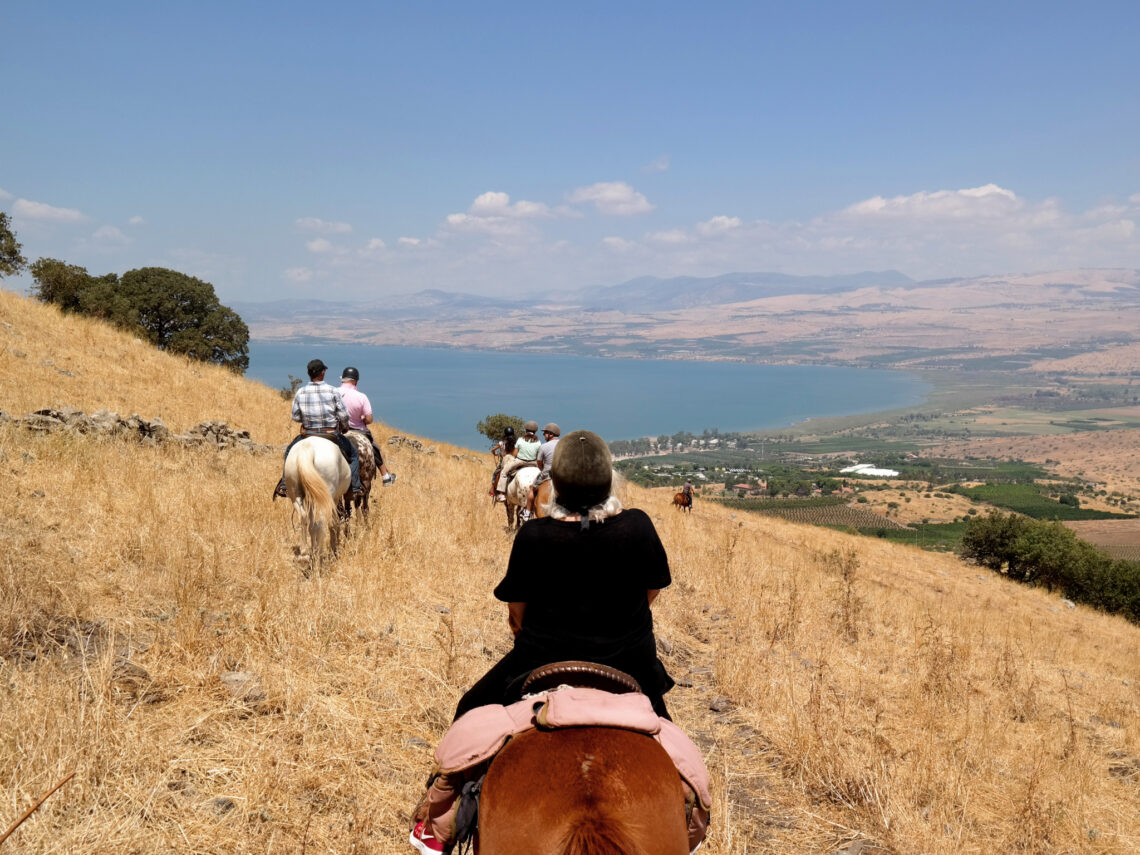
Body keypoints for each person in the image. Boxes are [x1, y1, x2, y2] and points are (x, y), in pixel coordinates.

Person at [454, 429, 675, 721]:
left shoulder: (533, 535)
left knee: (468, 710)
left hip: (538, 664)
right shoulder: (638, 525)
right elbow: (652, 590)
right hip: (632, 665)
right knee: (676, 754)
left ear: (555, 482)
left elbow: (517, 614)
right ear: (609, 480)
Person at [272, 359, 362, 500]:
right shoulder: (332, 391)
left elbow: (295, 416)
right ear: (323, 373)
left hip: (307, 434)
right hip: (330, 434)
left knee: (289, 451)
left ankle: (284, 484)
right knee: (354, 455)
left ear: (308, 373)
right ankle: (355, 488)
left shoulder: (301, 392)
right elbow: (344, 415)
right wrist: (343, 425)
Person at [338, 366, 397, 486]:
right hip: (358, 430)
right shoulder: (361, 396)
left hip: (338, 430)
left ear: (343, 380)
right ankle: (386, 476)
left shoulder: (333, 392)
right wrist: (363, 419)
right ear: (355, 381)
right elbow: (369, 419)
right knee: (374, 446)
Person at [494, 420, 541, 501]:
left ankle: (501, 494)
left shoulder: (520, 440)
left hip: (520, 461)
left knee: (504, 472)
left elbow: (515, 454)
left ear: (526, 430)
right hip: (533, 462)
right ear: (535, 431)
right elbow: (538, 456)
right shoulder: (538, 442)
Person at [523, 422, 560, 521]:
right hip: (561, 474)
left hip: (547, 472)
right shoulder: (563, 444)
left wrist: (543, 469)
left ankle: (527, 512)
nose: (544, 435)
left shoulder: (544, 446)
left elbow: (539, 462)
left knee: (532, 489)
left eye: (545, 433)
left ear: (551, 434)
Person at [489, 425, 516, 497]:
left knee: (495, 474)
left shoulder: (501, 443)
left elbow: (493, 450)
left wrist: (495, 454)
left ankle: (493, 490)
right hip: (513, 461)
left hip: (504, 461)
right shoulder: (515, 443)